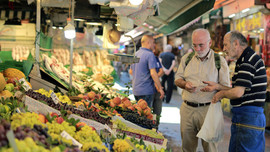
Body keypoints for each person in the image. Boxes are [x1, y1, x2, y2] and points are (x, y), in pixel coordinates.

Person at [201, 31, 267, 152]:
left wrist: (220, 94)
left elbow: (237, 93)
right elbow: (239, 89)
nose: (224, 48)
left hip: (247, 117)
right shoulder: (246, 59)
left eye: (226, 45)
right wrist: (217, 87)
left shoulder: (248, 60)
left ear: (236, 43)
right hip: (251, 117)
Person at [174, 28, 230, 152]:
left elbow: (226, 88)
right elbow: (177, 79)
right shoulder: (186, 59)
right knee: (187, 148)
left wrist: (215, 87)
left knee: (210, 148)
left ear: (210, 43)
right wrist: (185, 84)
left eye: (201, 45)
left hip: (209, 110)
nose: (197, 49)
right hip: (187, 110)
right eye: (195, 45)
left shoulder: (219, 61)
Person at [129, 35, 164, 107]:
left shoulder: (135, 54)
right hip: (146, 90)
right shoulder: (150, 54)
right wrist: (160, 88)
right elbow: (153, 73)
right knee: (146, 115)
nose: (154, 45)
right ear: (148, 43)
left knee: (139, 113)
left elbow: (131, 71)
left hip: (136, 90)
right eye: (153, 42)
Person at [152, 45, 164, 127]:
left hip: (153, 87)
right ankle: (155, 127)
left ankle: (153, 128)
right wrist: (156, 77)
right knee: (157, 111)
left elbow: (131, 71)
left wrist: (154, 77)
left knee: (148, 112)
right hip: (154, 87)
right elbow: (161, 71)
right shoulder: (154, 58)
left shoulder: (155, 58)